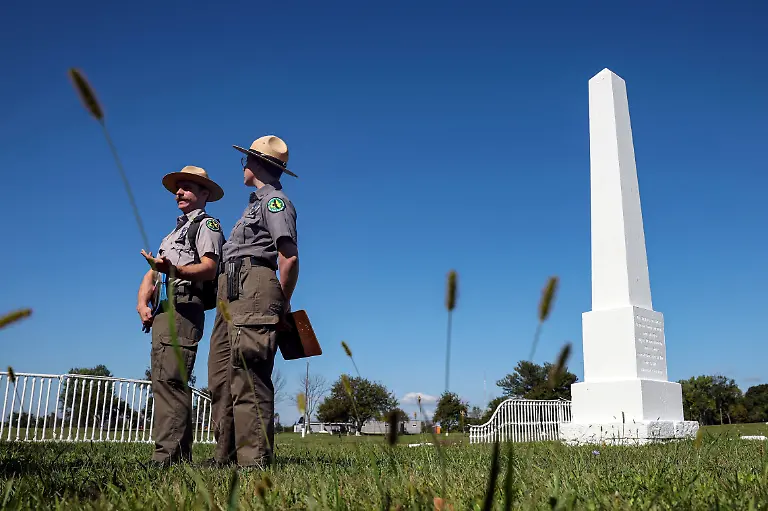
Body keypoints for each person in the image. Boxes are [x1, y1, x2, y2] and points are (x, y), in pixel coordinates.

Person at [204, 135, 300, 469]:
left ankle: (253, 459)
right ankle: (225, 454)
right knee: (220, 376)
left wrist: (281, 304)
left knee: (248, 373)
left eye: (246, 159)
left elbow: (288, 257)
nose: (243, 165)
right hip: (229, 290)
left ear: (257, 163)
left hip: (254, 284)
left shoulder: (276, 202)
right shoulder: (253, 206)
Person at [136, 165, 225, 467]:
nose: (179, 192)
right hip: (164, 310)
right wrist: (142, 303)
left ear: (204, 194)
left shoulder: (207, 226)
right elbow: (151, 274)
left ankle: (169, 456)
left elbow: (210, 266)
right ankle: (174, 453)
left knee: (173, 380)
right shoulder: (171, 234)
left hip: (186, 306)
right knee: (162, 380)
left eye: (187, 187)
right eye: (178, 187)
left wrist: (172, 270)